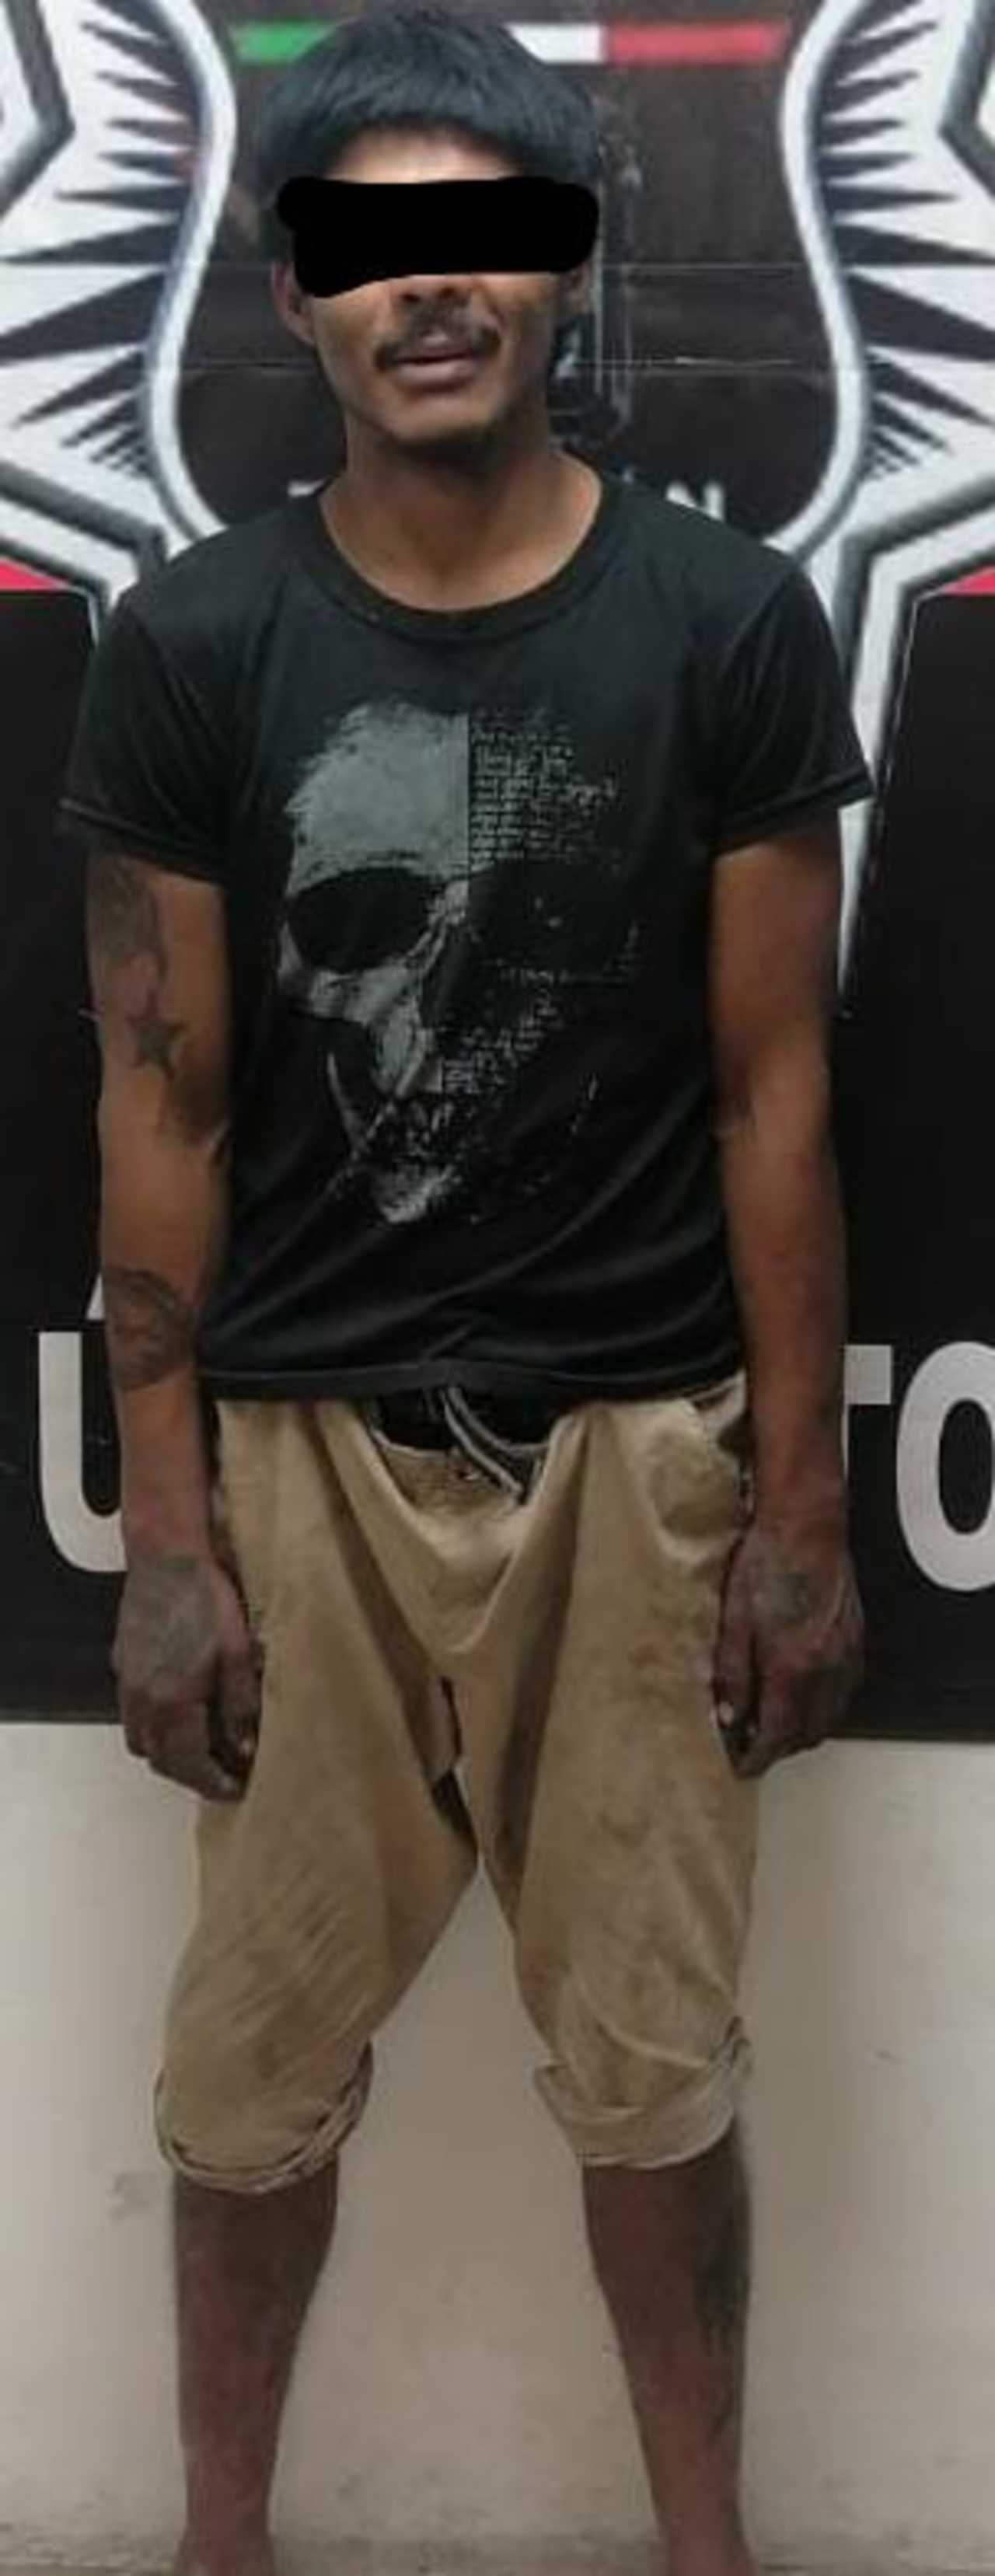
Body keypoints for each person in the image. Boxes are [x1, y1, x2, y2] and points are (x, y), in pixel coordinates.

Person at [59, 9, 871, 2572]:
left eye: (483, 232)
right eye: (370, 241)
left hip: (636, 1451)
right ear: (295, 292)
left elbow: (777, 1099)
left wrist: (802, 1512)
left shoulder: (728, 626)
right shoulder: (195, 646)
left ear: (565, 267)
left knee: (659, 2072)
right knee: (247, 2083)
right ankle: (218, 2542)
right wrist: (166, 1533)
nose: (430, 286)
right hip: (301, 1451)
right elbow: (161, 1112)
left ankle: (707, 2546)